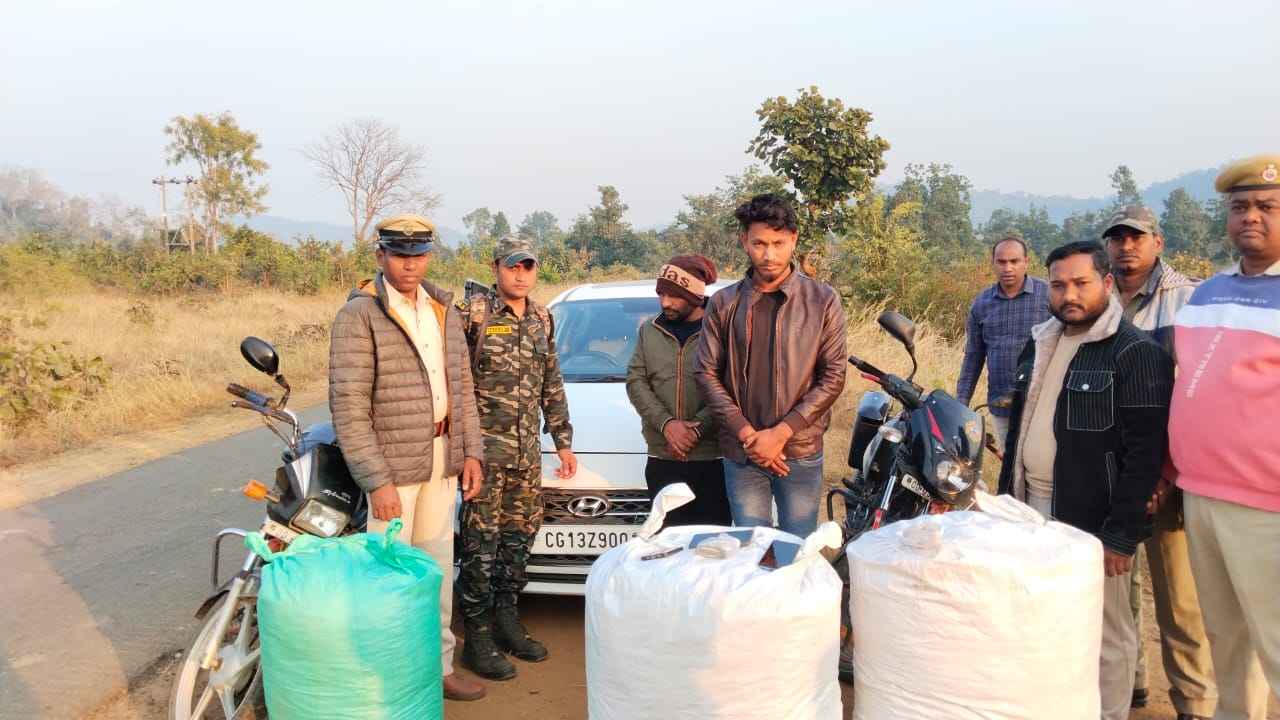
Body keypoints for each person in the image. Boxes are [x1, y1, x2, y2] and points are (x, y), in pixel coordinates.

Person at [997, 241, 1174, 720]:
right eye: (1058, 285)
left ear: (1107, 283)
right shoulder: (1041, 341)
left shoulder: (1136, 352)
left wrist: (1120, 535)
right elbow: (1018, 431)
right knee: (1042, 619)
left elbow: (1145, 456)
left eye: (1081, 283)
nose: (1069, 294)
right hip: (1029, 510)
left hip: (1093, 522)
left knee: (1106, 632)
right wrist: (1005, 506)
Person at [328, 214, 488, 701]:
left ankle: (438, 669)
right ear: (381, 256)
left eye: (418, 255)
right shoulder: (359, 315)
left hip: (442, 460)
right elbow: (349, 406)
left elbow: (462, 388)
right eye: (400, 255)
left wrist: (472, 452)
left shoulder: (443, 309)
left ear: (428, 257)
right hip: (393, 470)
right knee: (388, 579)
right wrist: (376, 480)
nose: (409, 265)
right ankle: (389, 681)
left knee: (435, 574)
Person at [1169, 154, 1280, 720]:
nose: (1250, 217)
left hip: (1266, 504)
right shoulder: (1207, 292)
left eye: (1266, 206)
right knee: (1227, 641)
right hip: (1202, 493)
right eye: (1240, 207)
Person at [1103, 204, 1214, 720]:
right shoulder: (1099, 295)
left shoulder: (1189, 299)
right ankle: (1132, 686)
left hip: (1169, 474)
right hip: (1110, 469)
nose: (1126, 246)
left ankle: (1194, 703)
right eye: (1117, 238)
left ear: (1158, 242)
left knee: (1179, 599)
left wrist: (1165, 472)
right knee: (1116, 588)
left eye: (1136, 237)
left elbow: (1197, 394)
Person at [456, 235, 577, 681]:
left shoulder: (542, 317)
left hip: (526, 458)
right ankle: (477, 637)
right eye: (512, 266)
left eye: (528, 266)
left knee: (518, 541)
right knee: (479, 547)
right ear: (496, 268)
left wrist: (562, 440)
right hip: (484, 458)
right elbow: (456, 386)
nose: (521, 275)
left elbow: (551, 382)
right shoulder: (473, 315)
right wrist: (466, 451)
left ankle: (507, 621)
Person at [694, 193, 847, 537]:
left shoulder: (822, 300)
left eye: (778, 244)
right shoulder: (724, 303)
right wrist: (749, 435)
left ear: (793, 240)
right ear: (744, 242)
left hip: (799, 448)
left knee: (798, 545)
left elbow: (833, 376)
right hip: (742, 451)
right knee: (752, 547)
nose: (769, 255)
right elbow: (705, 373)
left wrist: (780, 434)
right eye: (759, 243)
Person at [625, 254, 729, 526]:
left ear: (695, 296)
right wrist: (667, 424)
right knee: (665, 541)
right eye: (661, 294)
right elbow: (636, 381)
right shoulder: (649, 331)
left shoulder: (721, 331)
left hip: (713, 457)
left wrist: (696, 429)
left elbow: (731, 386)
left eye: (674, 296)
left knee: (712, 542)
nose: (665, 303)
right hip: (662, 456)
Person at [956, 233, 1050, 451]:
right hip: (1001, 405)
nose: (1008, 268)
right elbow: (973, 357)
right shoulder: (982, 303)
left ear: (1026, 262)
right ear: (993, 263)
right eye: (1002, 262)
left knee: (1041, 463)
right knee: (1010, 464)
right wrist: (961, 402)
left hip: (1042, 405)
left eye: (1014, 261)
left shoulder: (1047, 295)